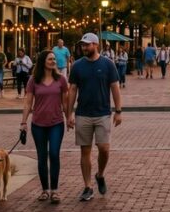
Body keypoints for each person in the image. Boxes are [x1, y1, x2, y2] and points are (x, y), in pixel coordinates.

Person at [67, 33, 123, 202]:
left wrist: (118, 111)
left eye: (87, 45)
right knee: (85, 151)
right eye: (82, 45)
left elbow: (115, 88)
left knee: (104, 148)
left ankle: (100, 174)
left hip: (103, 113)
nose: (84, 48)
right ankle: (88, 186)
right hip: (83, 113)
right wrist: (69, 113)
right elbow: (72, 90)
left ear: (95, 45)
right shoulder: (77, 66)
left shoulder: (108, 65)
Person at [20, 49, 70, 203]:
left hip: (56, 123)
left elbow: (66, 102)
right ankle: (44, 190)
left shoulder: (61, 80)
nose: (53, 61)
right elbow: (28, 102)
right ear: (43, 61)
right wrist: (23, 122)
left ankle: (54, 190)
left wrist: (69, 118)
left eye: (54, 59)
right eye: (50, 59)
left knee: (54, 154)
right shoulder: (33, 80)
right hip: (38, 124)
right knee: (42, 157)